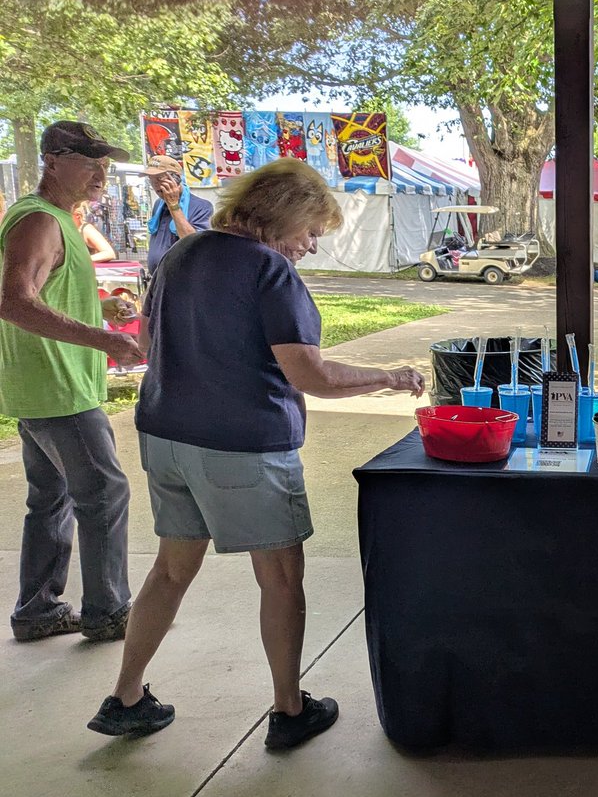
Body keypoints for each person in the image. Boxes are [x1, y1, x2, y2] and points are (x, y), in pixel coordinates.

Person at [87, 158, 426, 750]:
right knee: (280, 577)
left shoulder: (179, 256)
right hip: (244, 446)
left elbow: (146, 341)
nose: (311, 246)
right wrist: (390, 378)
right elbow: (311, 375)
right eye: (311, 231)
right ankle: (290, 710)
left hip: (166, 435)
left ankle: (126, 696)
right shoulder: (268, 269)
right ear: (283, 217)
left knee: (170, 568)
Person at [0, 121, 143, 642]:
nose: (101, 173)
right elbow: (14, 301)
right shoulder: (39, 220)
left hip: (42, 388)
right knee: (104, 493)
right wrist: (103, 340)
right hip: (59, 390)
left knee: (52, 497)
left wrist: (100, 307)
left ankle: (37, 611)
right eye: (89, 162)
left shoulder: (58, 218)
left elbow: (43, 294)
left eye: (104, 163)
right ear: (52, 161)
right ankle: (109, 611)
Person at [142, 154, 212, 274]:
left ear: (177, 179)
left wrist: (173, 206)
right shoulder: (159, 204)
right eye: (151, 180)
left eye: (159, 179)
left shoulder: (202, 207)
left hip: (182, 281)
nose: (155, 186)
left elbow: (194, 244)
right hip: (157, 279)